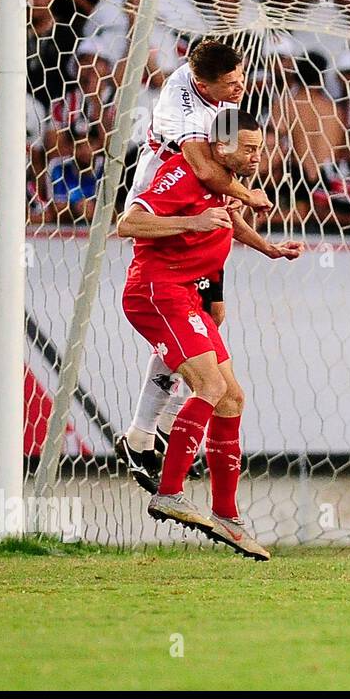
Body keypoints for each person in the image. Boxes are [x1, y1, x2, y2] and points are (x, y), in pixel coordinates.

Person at [117, 111, 303, 560]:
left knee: (232, 398)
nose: (257, 157)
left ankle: (225, 513)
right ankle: (169, 491)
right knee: (211, 385)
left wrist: (268, 248)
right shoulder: (180, 173)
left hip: (190, 292)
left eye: (260, 148)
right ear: (220, 146)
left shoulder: (223, 181)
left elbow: (225, 221)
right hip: (158, 291)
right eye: (249, 148)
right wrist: (191, 224)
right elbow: (128, 224)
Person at [113, 40, 272, 491]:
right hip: (166, 196)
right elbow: (203, 172)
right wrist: (247, 194)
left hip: (200, 220)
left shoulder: (213, 97)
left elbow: (220, 198)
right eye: (232, 83)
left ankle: (155, 426)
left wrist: (266, 246)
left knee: (212, 316)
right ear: (203, 85)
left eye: (241, 78)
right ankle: (146, 433)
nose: (241, 87)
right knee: (189, 335)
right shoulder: (187, 115)